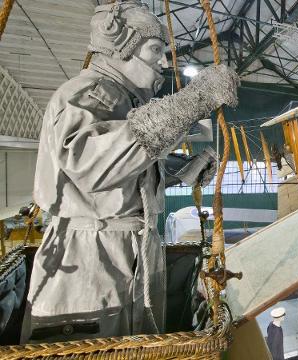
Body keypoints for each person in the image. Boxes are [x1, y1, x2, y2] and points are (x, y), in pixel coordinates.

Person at [21, 0, 239, 343]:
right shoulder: (87, 95)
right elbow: (93, 166)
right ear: (121, 48)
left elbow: (126, 174)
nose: (164, 62)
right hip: (91, 260)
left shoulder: (121, 99)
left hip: (124, 251)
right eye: (155, 49)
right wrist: (192, 100)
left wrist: (185, 169)